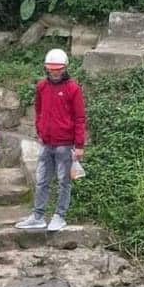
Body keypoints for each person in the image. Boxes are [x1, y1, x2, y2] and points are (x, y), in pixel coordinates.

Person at [15, 49, 85, 232]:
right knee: (42, 180)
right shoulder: (41, 86)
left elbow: (79, 118)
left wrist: (79, 145)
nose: (55, 72)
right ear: (46, 68)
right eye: (51, 69)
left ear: (64, 68)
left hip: (65, 143)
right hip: (47, 142)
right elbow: (38, 109)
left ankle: (59, 216)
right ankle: (37, 216)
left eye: (58, 69)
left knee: (64, 181)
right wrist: (39, 129)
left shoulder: (73, 88)